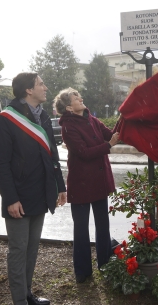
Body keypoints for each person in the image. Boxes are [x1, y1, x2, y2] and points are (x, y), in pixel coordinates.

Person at [0, 72, 67, 305]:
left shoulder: (42, 116)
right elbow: (0, 164)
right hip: (18, 198)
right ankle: (19, 301)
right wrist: (10, 199)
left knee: (32, 249)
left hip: (40, 194)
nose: (45, 87)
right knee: (18, 250)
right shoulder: (5, 119)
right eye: (41, 84)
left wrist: (60, 187)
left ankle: (27, 294)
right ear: (28, 90)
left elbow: (53, 155)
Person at [53, 88, 120, 284]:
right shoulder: (68, 126)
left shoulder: (92, 119)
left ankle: (105, 265)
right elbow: (84, 152)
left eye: (79, 96)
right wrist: (109, 146)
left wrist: (124, 116)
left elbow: (111, 134)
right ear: (68, 107)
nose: (81, 98)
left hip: (99, 180)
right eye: (76, 97)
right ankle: (82, 271)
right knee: (81, 228)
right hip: (81, 183)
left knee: (103, 225)